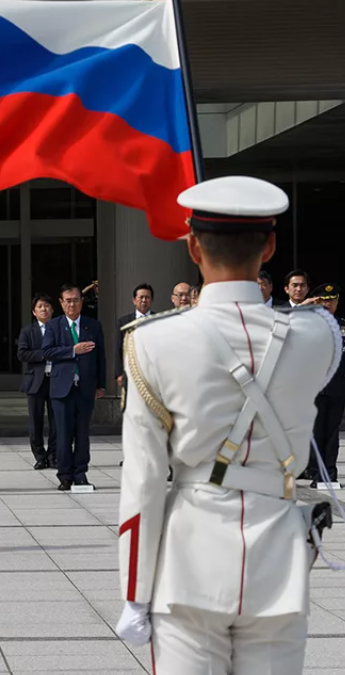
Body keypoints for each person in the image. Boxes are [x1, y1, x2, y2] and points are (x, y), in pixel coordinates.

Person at [114, 176, 339, 673]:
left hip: (190, 558)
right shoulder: (319, 333)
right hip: (278, 557)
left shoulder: (152, 342)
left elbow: (144, 481)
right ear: (271, 245)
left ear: (192, 246)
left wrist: (134, 592)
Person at [42, 284, 106, 490]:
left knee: (82, 434)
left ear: (81, 301)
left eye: (76, 300)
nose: (72, 304)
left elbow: (101, 357)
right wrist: (72, 350)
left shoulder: (93, 326)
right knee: (63, 434)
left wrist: (101, 385)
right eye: (68, 300)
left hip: (85, 388)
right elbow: (48, 351)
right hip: (62, 390)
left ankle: (80, 473)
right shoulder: (54, 326)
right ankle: (65, 475)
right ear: (61, 303)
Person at [308, 283, 345, 485]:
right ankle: (316, 473)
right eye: (324, 300)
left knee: (332, 434)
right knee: (316, 432)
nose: (328, 304)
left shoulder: (342, 325)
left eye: (332, 300)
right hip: (315, 388)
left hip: (337, 389)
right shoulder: (310, 325)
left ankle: (329, 474)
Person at [17, 294, 57, 470]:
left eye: (47, 306)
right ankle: (40, 456)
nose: (44, 309)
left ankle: (54, 455)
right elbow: (22, 354)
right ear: (34, 312)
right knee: (36, 421)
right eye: (40, 306)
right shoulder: (28, 331)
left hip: (56, 380)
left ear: (52, 310)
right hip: (36, 381)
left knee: (57, 421)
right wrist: (45, 353)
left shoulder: (59, 328)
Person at [116, 284, 154, 387]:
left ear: (151, 300)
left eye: (147, 297)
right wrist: (119, 373)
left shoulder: (158, 320)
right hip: (130, 371)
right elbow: (119, 348)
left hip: (153, 372)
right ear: (134, 300)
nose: (144, 300)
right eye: (141, 297)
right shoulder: (124, 322)